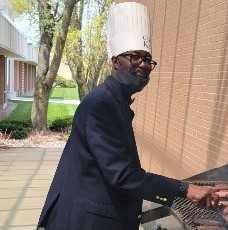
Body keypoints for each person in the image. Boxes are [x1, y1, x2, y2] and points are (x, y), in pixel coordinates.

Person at [36, 2, 218, 230]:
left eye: (147, 59)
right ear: (115, 61)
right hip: (85, 221)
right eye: (134, 57)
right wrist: (183, 190)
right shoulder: (102, 104)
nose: (143, 64)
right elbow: (122, 174)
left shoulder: (116, 101)